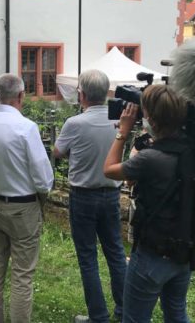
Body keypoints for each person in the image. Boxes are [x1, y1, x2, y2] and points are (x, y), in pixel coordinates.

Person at [103, 84, 191, 323]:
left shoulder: (151, 158)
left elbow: (110, 170)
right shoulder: (193, 152)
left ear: (150, 117)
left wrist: (123, 131)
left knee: (134, 318)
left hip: (152, 252)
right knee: (176, 313)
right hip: (183, 250)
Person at [0, 73, 54, 323]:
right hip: (23, 206)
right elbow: (42, 176)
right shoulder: (26, 127)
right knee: (22, 274)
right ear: (21, 96)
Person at [53, 69, 126, 323]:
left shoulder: (74, 123)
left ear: (81, 94)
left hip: (83, 196)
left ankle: (98, 316)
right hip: (111, 194)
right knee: (115, 252)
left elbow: (58, 151)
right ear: (107, 93)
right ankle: (124, 310)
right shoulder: (117, 122)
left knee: (87, 257)